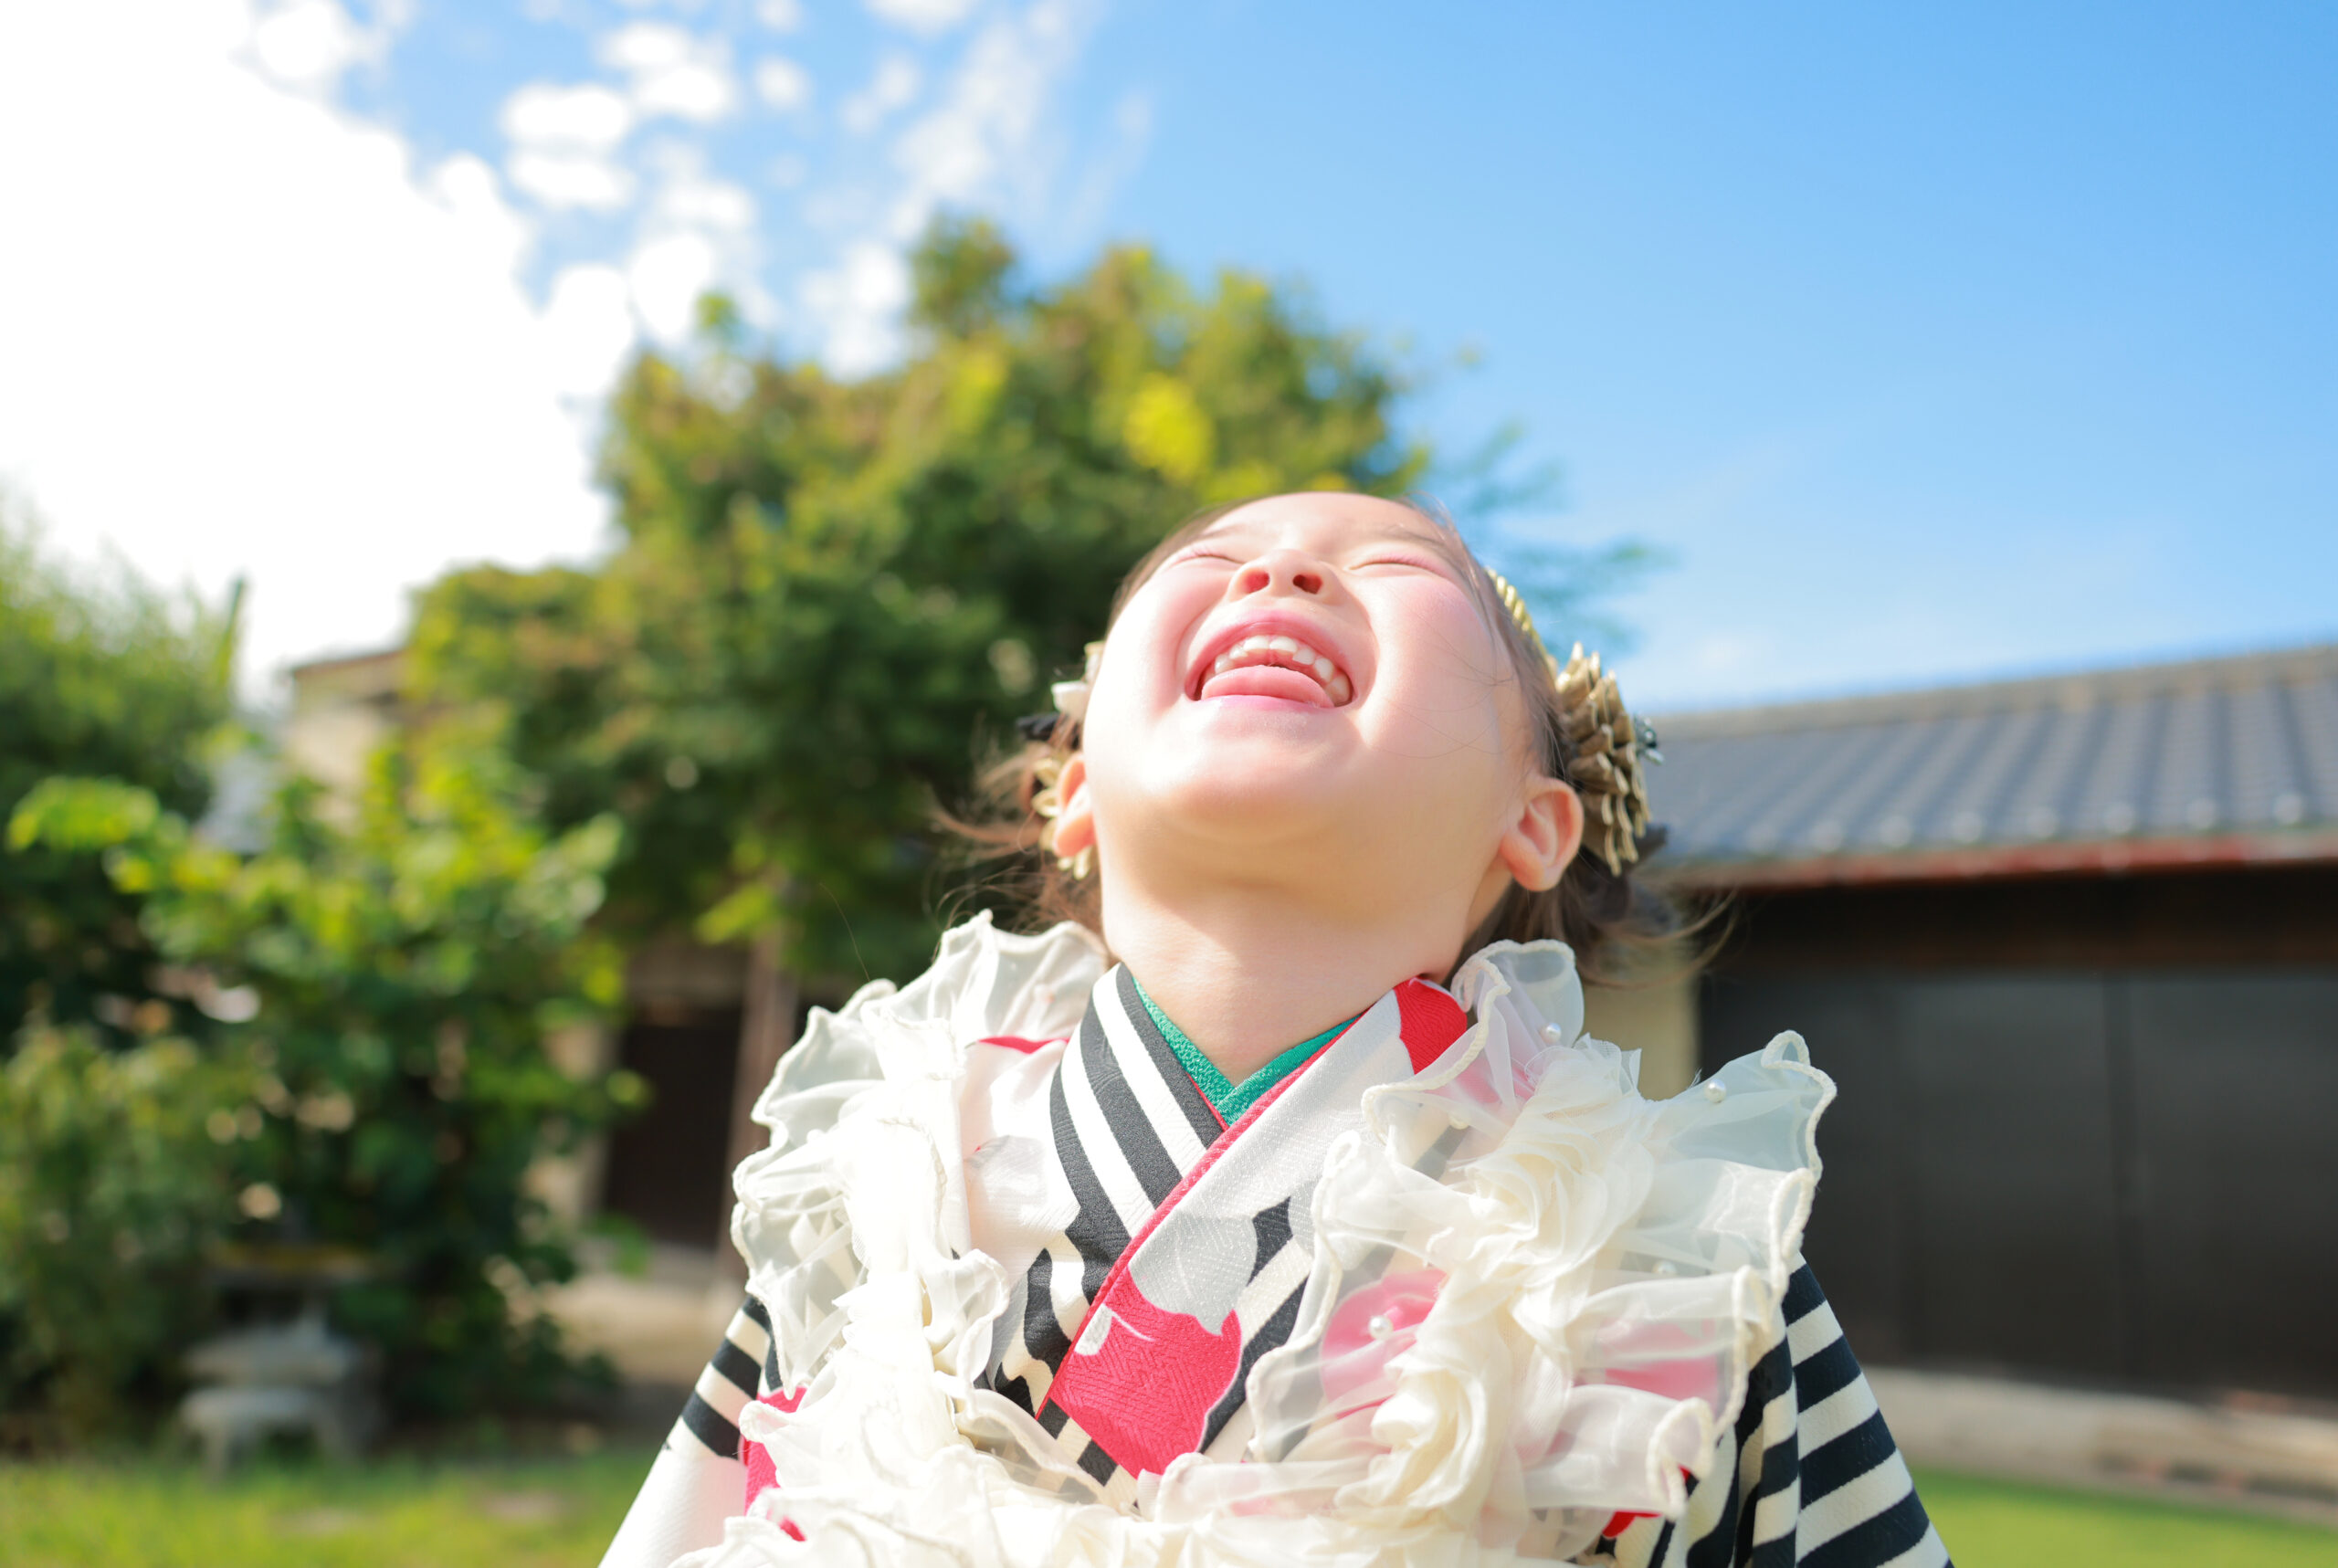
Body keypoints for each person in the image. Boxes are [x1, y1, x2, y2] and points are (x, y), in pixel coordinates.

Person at [599, 492, 1950, 1567]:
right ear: (1078, 791)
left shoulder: (1659, 1266)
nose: (1282, 569)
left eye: (1397, 567)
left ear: (1535, 820)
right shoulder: (882, 1188)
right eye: (1212, 558)